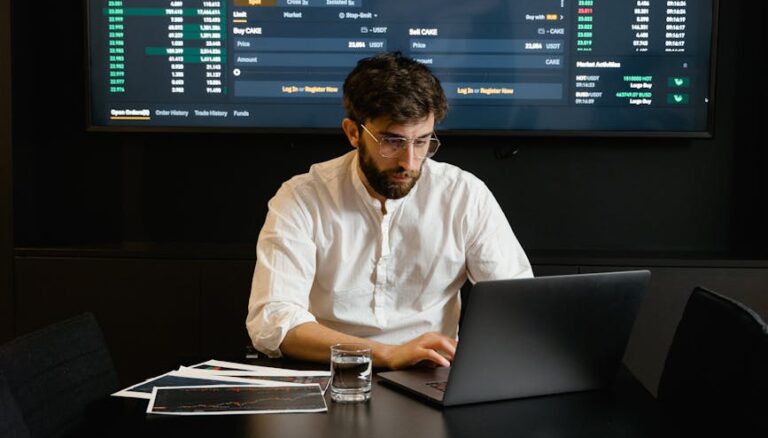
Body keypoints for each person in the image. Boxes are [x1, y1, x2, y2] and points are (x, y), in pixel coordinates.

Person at [246, 52, 532, 369]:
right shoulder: (301, 197)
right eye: (392, 142)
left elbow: (517, 304)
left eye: (422, 141)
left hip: (435, 374)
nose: (409, 162)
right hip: (329, 373)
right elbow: (272, 322)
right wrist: (387, 354)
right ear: (353, 133)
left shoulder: (464, 194)